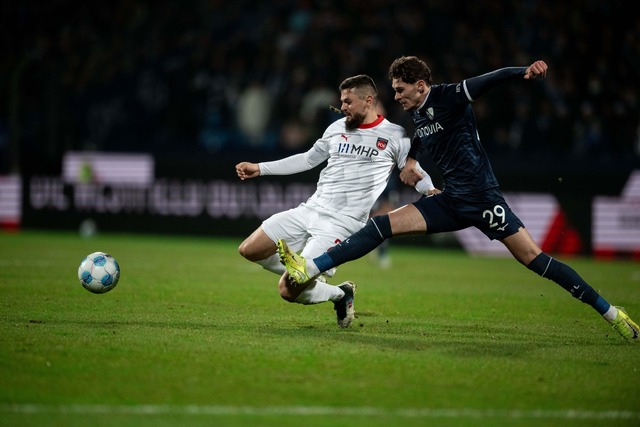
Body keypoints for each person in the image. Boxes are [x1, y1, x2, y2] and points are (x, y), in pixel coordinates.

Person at [277, 57, 640, 343]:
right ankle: (308, 268)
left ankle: (611, 313)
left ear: (421, 85)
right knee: (380, 225)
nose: (397, 96)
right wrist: (414, 159)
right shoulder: (417, 112)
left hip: (483, 200)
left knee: (535, 259)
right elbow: (422, 135)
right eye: (394, 89)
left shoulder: (450, 95)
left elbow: (487, 80)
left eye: (401, 89)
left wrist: (523, 71)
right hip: (449, 200)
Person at [236, 74, 438, 328]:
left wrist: (430, 190)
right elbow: (308, 159)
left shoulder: (394, 135)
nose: (342, 107)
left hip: (341, 225)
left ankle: (338, 294)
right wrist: (261, 168)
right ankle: (323, 284)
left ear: (368, 101)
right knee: (249, 249)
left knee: (287, 290)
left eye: (348, 101)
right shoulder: (336, 127)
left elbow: (412, 170)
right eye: (341, 101)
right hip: (310, 209)